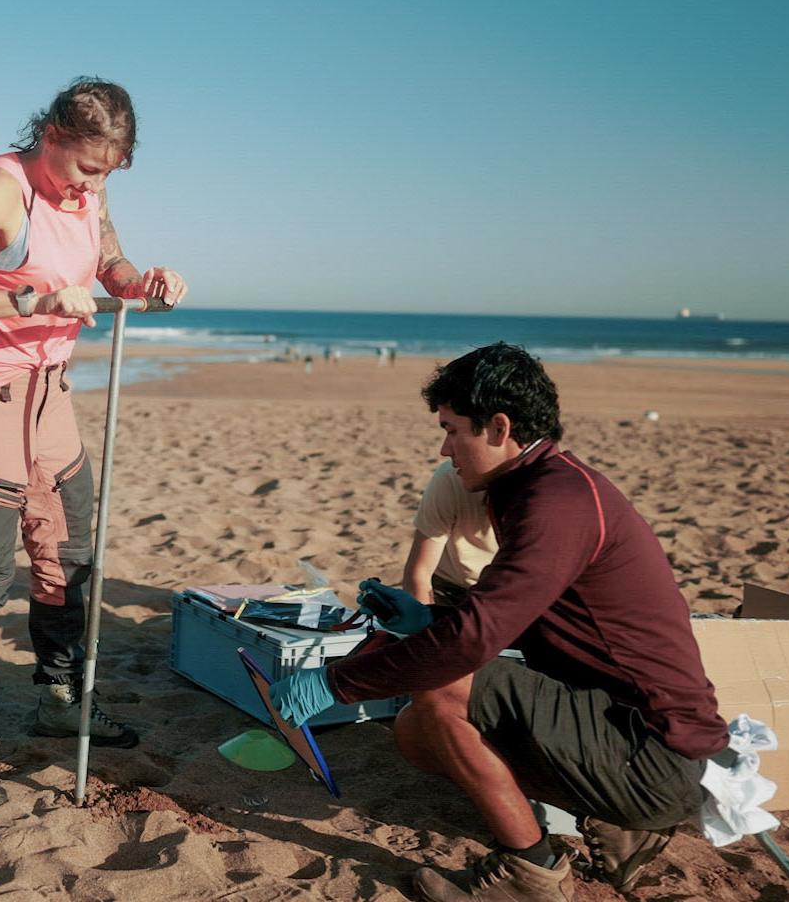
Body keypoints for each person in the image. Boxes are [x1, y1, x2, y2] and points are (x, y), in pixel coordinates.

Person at [271, 343, 728, 900]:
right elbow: (522, 623)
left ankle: (531, 873)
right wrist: (426, 617)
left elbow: (476, 638)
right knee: (418, 737)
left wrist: (333, 682)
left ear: (499, 426)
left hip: (653, 747)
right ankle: (621, 822)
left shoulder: (556, 501)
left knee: (439, 686)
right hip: (613, 716)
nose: (445, 447)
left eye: (452, 429)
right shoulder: (533, 485)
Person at [0, 78, 188, 806]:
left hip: (52, 395)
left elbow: (108, 258)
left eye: (107, 173)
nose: (92, 186)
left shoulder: (87, 191)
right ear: (52, 139)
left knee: (68, 557)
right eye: (85, 169)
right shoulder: (3, 188)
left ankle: (60, 700)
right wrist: (30, 301)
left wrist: (139, 282)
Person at [403, 458, 497, 607]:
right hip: (451, 589)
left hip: (511, 591)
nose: (445, 450)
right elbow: (419, 572)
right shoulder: (454, 475)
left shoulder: (542, 486)